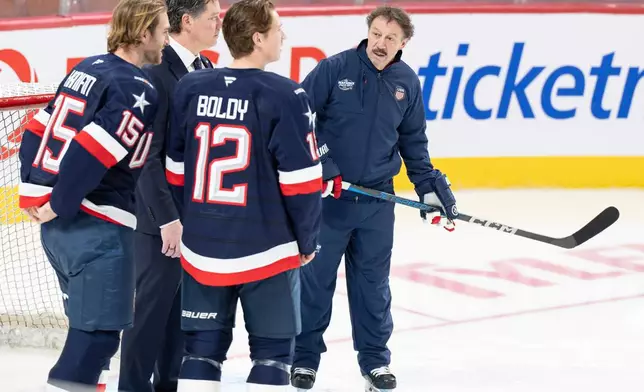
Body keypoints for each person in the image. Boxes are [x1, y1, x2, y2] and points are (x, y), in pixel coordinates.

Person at [290, 5, 459, 392]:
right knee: (315, 281)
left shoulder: (406, 82)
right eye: (377, 34)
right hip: (329, 200)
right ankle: (304, 360)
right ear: (368, 32)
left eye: (391, 38)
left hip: (377, 201)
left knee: (373, 285)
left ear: (403, 44)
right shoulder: (334, 69)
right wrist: (324, 164)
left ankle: (375, 362)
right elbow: (299, 119)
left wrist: (428, 185)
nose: (381, 44)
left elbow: (413, 141)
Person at [164, 0, 322, 390]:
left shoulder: (191, 86)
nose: (282, 35)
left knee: (200, 350)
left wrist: (197, 223)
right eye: (277, 28)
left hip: (201, 249)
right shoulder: (287, 94)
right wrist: (308, 240)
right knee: (272, 353)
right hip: (267, 250)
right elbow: (301, 183)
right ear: (257, 38)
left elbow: (175, 169)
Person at [16, 0, 168, 390]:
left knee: (89, 335)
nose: (166, 40)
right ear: (143, 32)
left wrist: (35, 197)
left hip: (62, 235)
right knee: (95, 340)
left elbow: (34, 131)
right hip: (96, 228)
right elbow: (91, 149)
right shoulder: (137, 86)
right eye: (163, 31)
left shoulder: (87, 68)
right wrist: (59, 204)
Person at [118, 0, 220, 390]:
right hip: (159, 224)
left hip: (194, 220)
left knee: (181, 318)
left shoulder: (206, 69)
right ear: (187, 21)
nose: (218, 24)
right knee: (149, 318)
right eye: (212, 17)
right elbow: (144, 158)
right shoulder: (156, 73)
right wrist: (167, 218)